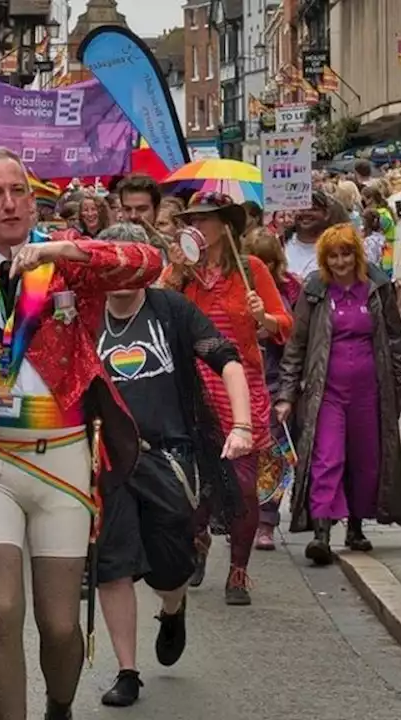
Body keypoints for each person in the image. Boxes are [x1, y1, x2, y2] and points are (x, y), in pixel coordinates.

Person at [0, 147, 161, 720]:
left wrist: (67, 247)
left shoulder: (67, 263)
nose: (9, 203)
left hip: (62, 458)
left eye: (17, 190)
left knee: (60, 624)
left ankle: (59, 707)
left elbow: (148, 263)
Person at [92, 222, 252, 707]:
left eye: (130, 262)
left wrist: (241, 425)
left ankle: (173, 605)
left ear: (146, 264)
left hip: (171, 457)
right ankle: (127, 670)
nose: (120, 274)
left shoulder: (171, 310)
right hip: (107, 459)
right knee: (112, 564)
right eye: (110, 263)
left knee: (169, 566)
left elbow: (226, 358)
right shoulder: (80, 314)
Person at [162, 192, 293, 604]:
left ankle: (239, 570)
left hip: (242, 388)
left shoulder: (251, 270)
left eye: (205, 219)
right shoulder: (181, 271)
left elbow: (283, 325)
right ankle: (198, 539)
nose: (196, 227)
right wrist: (174, 276)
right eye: (192, 220)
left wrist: (263, 318)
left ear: (224, 226)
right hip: (192, 387)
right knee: (196, 481)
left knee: (243, 486)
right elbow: (156, 314)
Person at [275, 224, 401, 564]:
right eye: (333, 255)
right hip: (327, 391)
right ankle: (322, 531)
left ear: (357, 254)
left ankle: (355, 526)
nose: (340, 262)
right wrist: (286, 394)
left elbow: (395, 340)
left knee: (365, 460)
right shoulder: (315, 291)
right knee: (328, 457)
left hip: (371, 390)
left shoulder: (376, 288)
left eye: (346, 253)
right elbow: (297, 345)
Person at [242, 227, 303, 551]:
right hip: (240, 383)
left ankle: (266, 521)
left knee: (273, 457)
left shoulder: (288, 289)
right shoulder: (232, 287)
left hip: (273, 382)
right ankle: (244, 518)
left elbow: (291, 337)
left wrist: (286, 396)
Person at [285, 190, 348, 277]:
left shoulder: (336, 247)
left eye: (313, 209)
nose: (306, 213)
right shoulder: (280, 243)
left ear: (326, 214)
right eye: (301, 209)